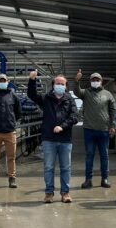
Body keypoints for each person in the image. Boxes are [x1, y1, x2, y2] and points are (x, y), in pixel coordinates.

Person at [27, 70, 79, 203]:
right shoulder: (46, 98)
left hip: (65, 139)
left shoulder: (70, 99)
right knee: (49, 167)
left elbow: (74, 117)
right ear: (53, 85)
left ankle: (65, 193)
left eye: (62, 84)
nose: (60, 85)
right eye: (57, 83)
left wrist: (62, 126)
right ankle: (49, 193)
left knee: (65, 168)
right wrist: (32, 81)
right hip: (49, 138)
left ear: (66, 86)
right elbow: (32, 95)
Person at [74, 69, 116, 189]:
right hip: (89, 130)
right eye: (93, 79)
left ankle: (105, 179)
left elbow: (113, 110)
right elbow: (77, 92)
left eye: (97, 79)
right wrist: (77, 81)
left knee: (104, 155)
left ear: (101, 81)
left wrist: (113, 125)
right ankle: (88, 180)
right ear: (90, 81)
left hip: (104, 130)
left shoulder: (108, 94)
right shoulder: (86, 92)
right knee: (89, 155)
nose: (95, 81)